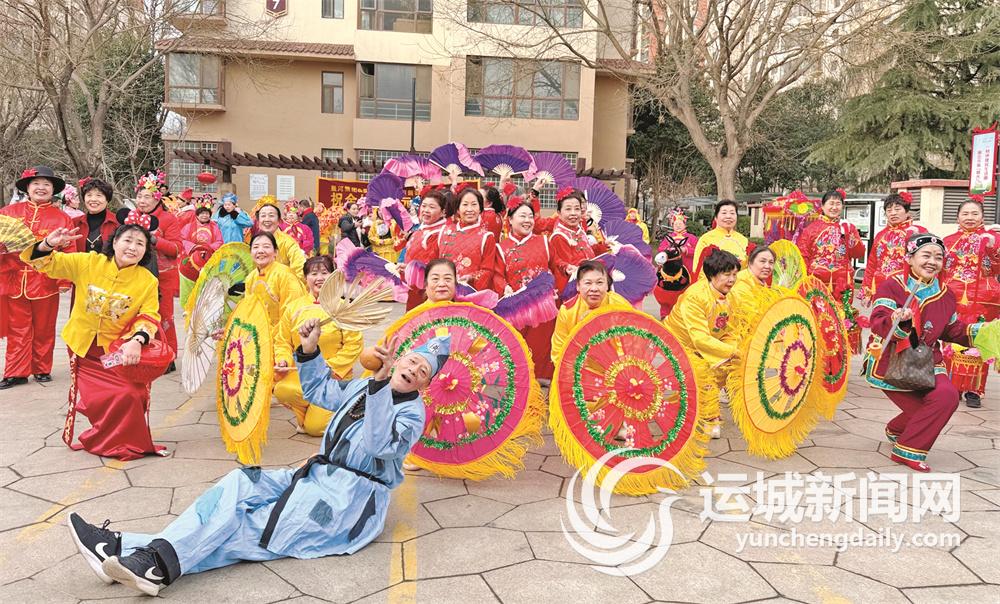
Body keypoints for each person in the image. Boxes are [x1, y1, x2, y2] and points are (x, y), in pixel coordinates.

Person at [66, 322, 450, 597]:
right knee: (240, 483)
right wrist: (309, 350)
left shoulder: (413, 414)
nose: (413, 370)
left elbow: (378, 444)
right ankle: (140, 556)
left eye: (423, 371)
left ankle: (130, 551)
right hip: (317, 476)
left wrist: (380, 385)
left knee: (253, 526)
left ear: (426, 384)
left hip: (348, 502)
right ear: (400, 359)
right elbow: (320, 390)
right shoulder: (366, 385)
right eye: (412, 361)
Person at [21, 220, 166, 459]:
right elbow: (46, 263)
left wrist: (137, 340)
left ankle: (122, 440)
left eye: (140, 244)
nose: (133, 247)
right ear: (115, 243)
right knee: (100, 398)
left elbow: (149, 315)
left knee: (131, 393)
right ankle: (107, 440)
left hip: (116, 351)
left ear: (145, 251)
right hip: (83, 347)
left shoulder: (147, 280)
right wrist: (48, 244)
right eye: (127, 240)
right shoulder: (87, 262)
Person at [864, 233, 990, 472]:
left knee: (947, 397)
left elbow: (952, 330)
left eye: (938, 257)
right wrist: (897, 319)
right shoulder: (893, 285)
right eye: (926, 255)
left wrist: (981, 332)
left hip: (929, 359)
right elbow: (878, 321)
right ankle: (902, 435)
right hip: (892, 360)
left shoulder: (946, 294)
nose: (932, 261)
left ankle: (904, 443)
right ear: (909, 258)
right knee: (923, 410)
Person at [0, 166, 75, 389]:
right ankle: (16, 372)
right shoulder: (8, 213)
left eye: (46, 184)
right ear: (27, 187)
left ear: (53, 189)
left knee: (44, 328)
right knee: (17, 329)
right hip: (14, 281)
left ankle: (42, 368)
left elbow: (69, 252)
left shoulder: (62, 218)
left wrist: (64, 280)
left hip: (45, 281)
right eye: (36, 184)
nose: (41, 188)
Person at [273, 256, 363, 436]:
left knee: (315, 429)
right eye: (314, 273)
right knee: (282, 390)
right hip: (304, 374)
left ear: (333, 277)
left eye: (324, 273)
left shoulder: (343, 307)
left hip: (334, 377)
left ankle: (338, 410)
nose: (319, 278)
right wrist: (283, 359)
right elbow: (282, 341)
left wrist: (332, 367)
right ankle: (308, 412)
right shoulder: (293, 308)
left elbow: (354, 344)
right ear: (306, 278)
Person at [664, 248, 742, 439]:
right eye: (727, 274)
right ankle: (709, 417)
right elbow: (699, 339)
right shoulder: (696, 296)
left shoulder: (732, 296)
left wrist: (733, 351)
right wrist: (731, 351)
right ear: (712, 274)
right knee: (703, 371)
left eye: (734, 274)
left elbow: (731, 331)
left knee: (731, 365)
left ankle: (692, 403)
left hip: (710, 343)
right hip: (680, 344)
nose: (732, 280)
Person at [942, 198, 1000, 408]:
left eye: (974, 213)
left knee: (979, 340)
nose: (969, 217)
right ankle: (952, 386)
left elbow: (996, 268)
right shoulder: (948, 241)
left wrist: (993, 249)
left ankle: (975, 390)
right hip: (953, 297)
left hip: (984, 299)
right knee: (950, 340)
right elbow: (941, 269)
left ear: (982, 216)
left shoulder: (992, 238)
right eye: (965, 213)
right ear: (957, 216)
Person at [498, 197, 557, 381]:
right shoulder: (501, 247)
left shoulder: (544, 242)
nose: (527, 220)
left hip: (543, 308)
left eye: (530, 216)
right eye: (522, 216)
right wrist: (504, 287)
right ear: (510, 219)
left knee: (542, 347)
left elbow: (555, 268)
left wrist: (555, 288)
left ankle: (543, 386)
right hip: (517, 309)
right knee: (518, 349)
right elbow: (497, 274)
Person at [133, 172, 183, 364]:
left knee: (164, 317)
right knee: (137, 316)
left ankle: (167, 356)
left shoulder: (168, 219)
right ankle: (143, 354)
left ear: (157, 198)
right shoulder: (132, 217)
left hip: (163, 276)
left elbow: (176, 249)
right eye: (139, 196)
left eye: (147, 197)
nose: (142, 201)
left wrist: (155, 239)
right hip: (136, 275)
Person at [551, 260, 632, 365]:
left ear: (607, 285)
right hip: (580, 368)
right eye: (588, 283)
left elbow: (632, 343)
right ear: (578, 286)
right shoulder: (568, 311)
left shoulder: (620, 306)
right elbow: (559, 351)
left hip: (615, 366)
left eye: (599, 283)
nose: (594, 289)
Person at [797, 190, 865, 308]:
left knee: (842, 314)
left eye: (838, 204)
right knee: (819, 314)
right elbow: (803, 255)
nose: (834, 207)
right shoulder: (811, 229)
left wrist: (849, 235)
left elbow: (858, 253)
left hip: (842, 282)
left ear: (842, 206)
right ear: (823, 206)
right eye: (831, 203)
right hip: (817, 281)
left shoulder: (849, 228)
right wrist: (804, 280)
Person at [861, 193, 926, 304]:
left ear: (907, 211)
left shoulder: (919, 232)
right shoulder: (880, 235)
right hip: (881, 286)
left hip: (908, 288)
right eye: (889, 210)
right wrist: (866, 292)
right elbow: (872, 264)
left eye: (897, 209)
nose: (893, 213)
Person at [438, 186, 502, 293]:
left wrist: (471, 277)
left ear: (480, 209)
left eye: (474, 204)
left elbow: (488, 271)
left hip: (470, 294)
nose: (469, 209)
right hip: (443, 291)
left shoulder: (486, 237)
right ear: (458, 209)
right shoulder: (444, 231)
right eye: (465, 204)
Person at [549, 188, 609, 297]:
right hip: (571, 291)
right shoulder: (559, 236)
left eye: (577, 209)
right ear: (559, 213)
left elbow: (589, 252)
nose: (573, 213)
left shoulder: (579, 230)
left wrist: (604, 247)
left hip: (587, 285)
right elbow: (568, 265)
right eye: (568, 209)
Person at [244, 232, 307, 329]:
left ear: (275, 252)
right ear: (251, 252)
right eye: (256, 247)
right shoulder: (250, 278)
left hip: (283, 334)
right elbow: (249, 311)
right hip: (260, 333)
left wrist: (273, 334)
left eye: (266, 246)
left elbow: (292, 313)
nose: (260, 251)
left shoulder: (285, 275)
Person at [399, 189, 447, 310]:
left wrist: (410, 269)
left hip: (430, 292)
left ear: (443, 212)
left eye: (432, 207)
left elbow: (438, 265)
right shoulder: (420, 230)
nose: (426, 210)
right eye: (424, 206)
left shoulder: (442, 233)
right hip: (413, 289)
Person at [653, 208, 698, 318]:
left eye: (680, 223)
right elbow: (661, 249)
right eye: (675, 224)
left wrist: (686, 250)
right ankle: (665, 315)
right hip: (669, 273)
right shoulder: (668, 238)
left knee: (686, 295)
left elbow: (698, 251)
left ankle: (683, 316)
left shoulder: (691, 238)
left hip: (688, 272)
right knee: (666, 294)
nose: (678, 226)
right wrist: (669, 251)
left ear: (685, 225)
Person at [253, 202, 306, 281]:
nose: (267, 219)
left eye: (271, 215)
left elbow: (300, 270)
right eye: (263, 216)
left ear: (279, 221)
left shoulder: (288, 242)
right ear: (258, 222)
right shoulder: (255, 243)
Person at [692, 200, 749, 271]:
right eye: (724, 213)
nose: (728, 216)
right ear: (716, 218)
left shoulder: (743, 240)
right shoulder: (706, 239)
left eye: (732, 213)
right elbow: (697, 268)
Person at [728, 245, 776, 319]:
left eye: (771, 262)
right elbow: (753, 317)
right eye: (762, 261)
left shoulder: (762, 283)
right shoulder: (741, 283)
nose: (767, 266)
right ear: (750, 263)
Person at [74, 178, 119, 253]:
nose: (93, 199)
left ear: (107, 199)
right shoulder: (74, 223)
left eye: (99, 195)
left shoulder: (117, 223)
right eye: (89, 195)